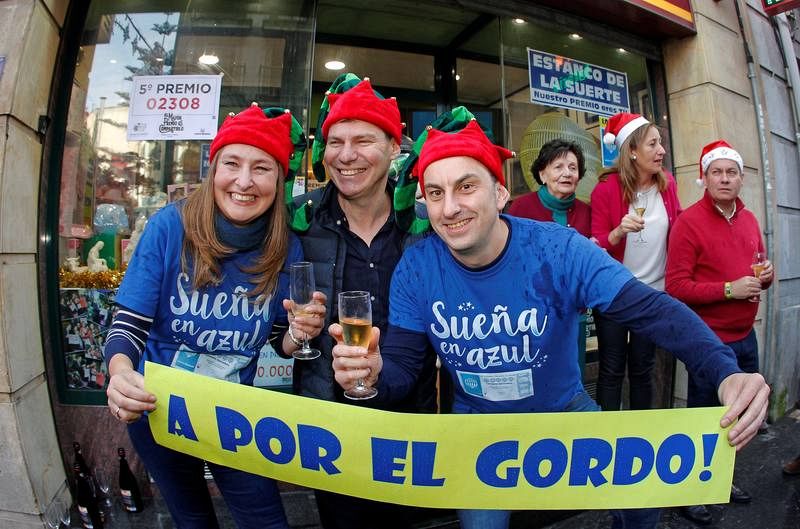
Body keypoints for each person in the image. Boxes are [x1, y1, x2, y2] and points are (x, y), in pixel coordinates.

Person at [329, 116, 770, 529]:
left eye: (466, 186)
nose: (451, 208)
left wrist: (724, 371)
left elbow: (653, 310)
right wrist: (375, 372)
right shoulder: (417, 267)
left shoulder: (559, 250)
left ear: (499, 194)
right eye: (436, 193)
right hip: (478, 426)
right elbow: (405, 367)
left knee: (641, 498)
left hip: (564, 410)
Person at [103, 104, 327, 529]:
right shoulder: (169, 227)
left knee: (266, 521)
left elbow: (277, 338)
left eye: (261, 168)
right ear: (214, 168)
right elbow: (129, 323)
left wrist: (300, 333)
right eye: (232, 163)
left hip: (233, 414)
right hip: (159, 408)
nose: (244, 181)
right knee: (192, 520)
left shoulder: (286, 246)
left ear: (279, 180)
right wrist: (120, 373)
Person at [288, 74, 438, 529]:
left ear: (394, 148)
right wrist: (292, 333)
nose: (346, 155)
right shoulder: (300, 220)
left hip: (410, 418)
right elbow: (276, 326)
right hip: (330, 423)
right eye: (335, 142)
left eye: (363, 141)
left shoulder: (426, 224)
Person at [665, 139, 774, 524]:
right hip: (708, 342)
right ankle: (691, 491)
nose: (725, 178)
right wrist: (729, 289)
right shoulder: (688, 222)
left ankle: (721, 480)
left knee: (737, 416)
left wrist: (765, 277)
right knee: (704, 418)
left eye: (731, 172)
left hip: (745, 335)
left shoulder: (749, 219)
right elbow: (676, 287)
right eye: (717, 172)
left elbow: (758, 269)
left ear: (741, 178)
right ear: (704, 178)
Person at [590, 112, 681, 411]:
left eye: (660, 143)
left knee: (643, 369)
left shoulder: (668, 184)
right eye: (652, 144)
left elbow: (679, 227)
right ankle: (606, 433)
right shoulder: (605, 190)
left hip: (652, 294)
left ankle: (640, 433)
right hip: (615, 293)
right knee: (612, 370)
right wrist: (617, 232)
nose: (661, 150)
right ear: (631, 150)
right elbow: (596, 244)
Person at [507, 138, 591, 237]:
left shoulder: (587, 212)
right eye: (558, 167)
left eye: (573, 168)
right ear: (542, 175)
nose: (567, 173)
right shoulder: (521, 207)